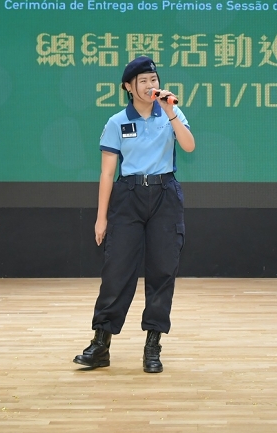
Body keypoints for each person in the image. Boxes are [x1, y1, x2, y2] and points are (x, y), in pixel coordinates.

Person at [73, 56, 195, 373]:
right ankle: (101, 343)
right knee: (117, 270)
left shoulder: (171, 112)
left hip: (165, 193)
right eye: (143, 81)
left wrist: (171, 112)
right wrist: (101, 218)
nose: (150, 85)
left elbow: (189, 146)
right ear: (128, 87)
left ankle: (153, 346)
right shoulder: (117, 122)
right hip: (128, 196)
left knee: (162, 270)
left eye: (154, 79)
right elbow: (106, 173)